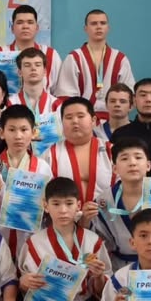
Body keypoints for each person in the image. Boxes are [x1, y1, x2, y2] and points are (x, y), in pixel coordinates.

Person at [0, 104, 53, 257]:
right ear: (1, 133)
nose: (18, 136)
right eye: (12, 130)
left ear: (33, 133)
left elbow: (51, 206)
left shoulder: (43, 167)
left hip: (32, 237)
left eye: (24, 130)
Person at [44, 97, 114, 228]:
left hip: (108, 225)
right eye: (68, 117)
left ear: (93, 120)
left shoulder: (111, 151)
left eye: (80, 116)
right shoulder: (49, 154)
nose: (75, 121)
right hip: (64, 226)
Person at [55, 9, 135, 121]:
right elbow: (66, 96)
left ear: (108, 28)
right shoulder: (74, 58)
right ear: (85, 28)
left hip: (114, 121)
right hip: (83, 121)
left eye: (103, 23)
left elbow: (129, 95)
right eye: (93, 23)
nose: (99, 27)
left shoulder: (120, 59)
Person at [94, 137, 151, 270]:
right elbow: (100, 240)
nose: (132, 163)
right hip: (121, 266)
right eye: (124, 158)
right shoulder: (104, 200)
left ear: (148, 165)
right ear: (115, 168)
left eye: (138, 157)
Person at [0, 5, 61, 93]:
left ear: (37, 28)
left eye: (30, 22)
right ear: (12, 28)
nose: (25, 26)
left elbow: (59, 91)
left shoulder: (51, 54)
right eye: (20, 22)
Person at [9, 47, 59, 115]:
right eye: (27, 65)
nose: (33, 68)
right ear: (19, 72)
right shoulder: (10, 104)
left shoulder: (57, 105)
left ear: (45, 71)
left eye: (37, 65)